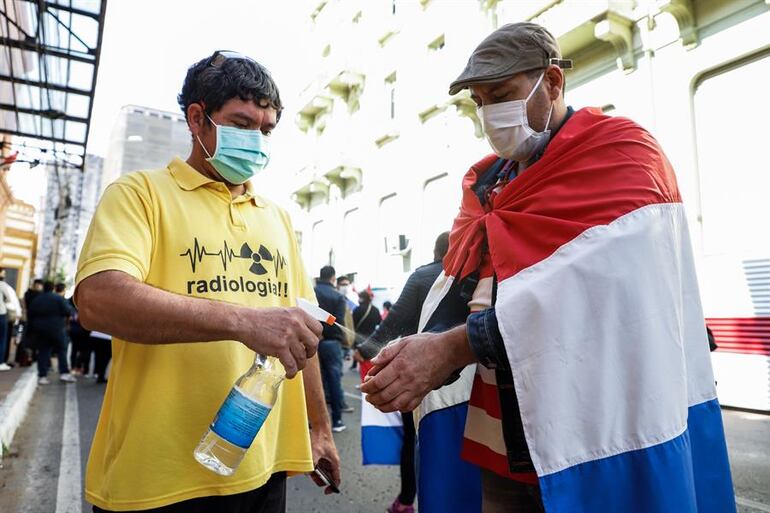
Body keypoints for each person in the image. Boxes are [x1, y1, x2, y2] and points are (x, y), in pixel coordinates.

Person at [362, 23, 735, 513]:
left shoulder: (622, 154)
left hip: (596, 433)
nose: (488, 114)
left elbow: (601, 300)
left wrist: (453, 348)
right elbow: (461, 287)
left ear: (552, 83)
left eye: (501, 95)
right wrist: (406, 350)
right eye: (478, 101)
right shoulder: (488, 182)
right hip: (500, 442)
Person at [75, 50, 339, 513]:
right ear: (198, 119)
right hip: (156, 476)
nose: (256, 139)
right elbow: (98, 299)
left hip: (261, 465)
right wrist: (243, 322)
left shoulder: (277, 218)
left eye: (266, 129)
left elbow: (305, 327)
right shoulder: (138, 195)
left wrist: (319, 428)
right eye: (242, 123)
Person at [355, 231, 449, 513]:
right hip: (468, 379)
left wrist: (364, 350)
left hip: (422, 378)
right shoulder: (473, 275)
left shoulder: (422, 276)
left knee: (415, 440)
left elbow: (394, 322)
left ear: (436, 250)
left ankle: (407, 500)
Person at [314, 265, 350, 432]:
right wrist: (325, 331)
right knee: (334, 381)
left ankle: (311, 421)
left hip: (311, 341)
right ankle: (336, 421)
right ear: (333, 278)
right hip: (331, 343)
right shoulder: (337, 297)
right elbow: (338, 322)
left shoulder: (311, 291)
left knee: (313, 381)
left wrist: (316, 332)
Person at [28, 281, 76, 384]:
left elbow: (30, 314)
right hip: (57, 328)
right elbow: (68, 311)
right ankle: (64, 373)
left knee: (43, 351)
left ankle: (42, 376)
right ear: (53, 288)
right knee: (61, 350)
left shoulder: (37, 299)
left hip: (40, 329)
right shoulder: (58, 298)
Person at [16, 278, 44, 366]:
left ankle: (25, 358)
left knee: (28, 340)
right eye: (37, 285)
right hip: (29, 321)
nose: (38, 287)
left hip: (30, 321)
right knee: (25, 340)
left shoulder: (28, 294)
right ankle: (24, 358)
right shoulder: (33, 294)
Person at [0, 267, 21, 370]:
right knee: (2, 339)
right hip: (1, 314)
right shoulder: (3, 285)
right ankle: (1, 362)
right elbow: (9, 298)